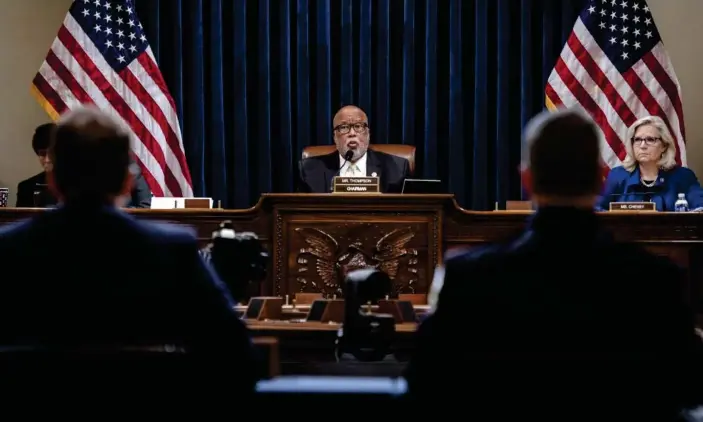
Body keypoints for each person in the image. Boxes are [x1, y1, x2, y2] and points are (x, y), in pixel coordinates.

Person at [404, 109, 703, 417]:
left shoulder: (468, 277)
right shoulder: (655, 281)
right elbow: (689, 387)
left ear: (526, 179)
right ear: (602, 179)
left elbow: (427, 387)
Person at [0, 106, 258, 394]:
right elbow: (236, 359)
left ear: (52, 180)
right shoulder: (173, 251)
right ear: (127, 181)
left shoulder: (8, 250)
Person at [16, 122, 152, 208]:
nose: (46, 159)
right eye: (42, 154)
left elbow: (145, 206)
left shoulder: (84, 179)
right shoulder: (27, 187)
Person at [597, 115, 703, 211]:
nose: (643, 146)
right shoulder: (618, 176)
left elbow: (700, 207)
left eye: (650, 139)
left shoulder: (683, 177)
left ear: (664, 146)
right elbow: (597, 208)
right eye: (638, 140)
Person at [298, 105, 410, 193]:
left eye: (358, 126)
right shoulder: (310, 171)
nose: (352, 133)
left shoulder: (396, 168)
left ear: (368, 134)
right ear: (335, 137)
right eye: (344, 127)